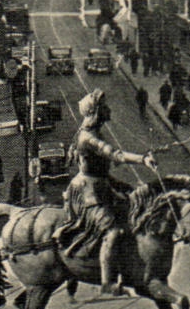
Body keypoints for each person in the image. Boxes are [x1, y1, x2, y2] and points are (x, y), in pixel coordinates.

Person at [55, 89, 162, 296]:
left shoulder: (94, 132)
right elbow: (114, 154)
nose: (108, 109)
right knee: (112, 231)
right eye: (104, 107)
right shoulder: (87, 137)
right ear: (95, 111)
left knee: (133, 210)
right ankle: (107, 281)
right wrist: (142, 159)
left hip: (102, 184)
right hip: (87, 192)